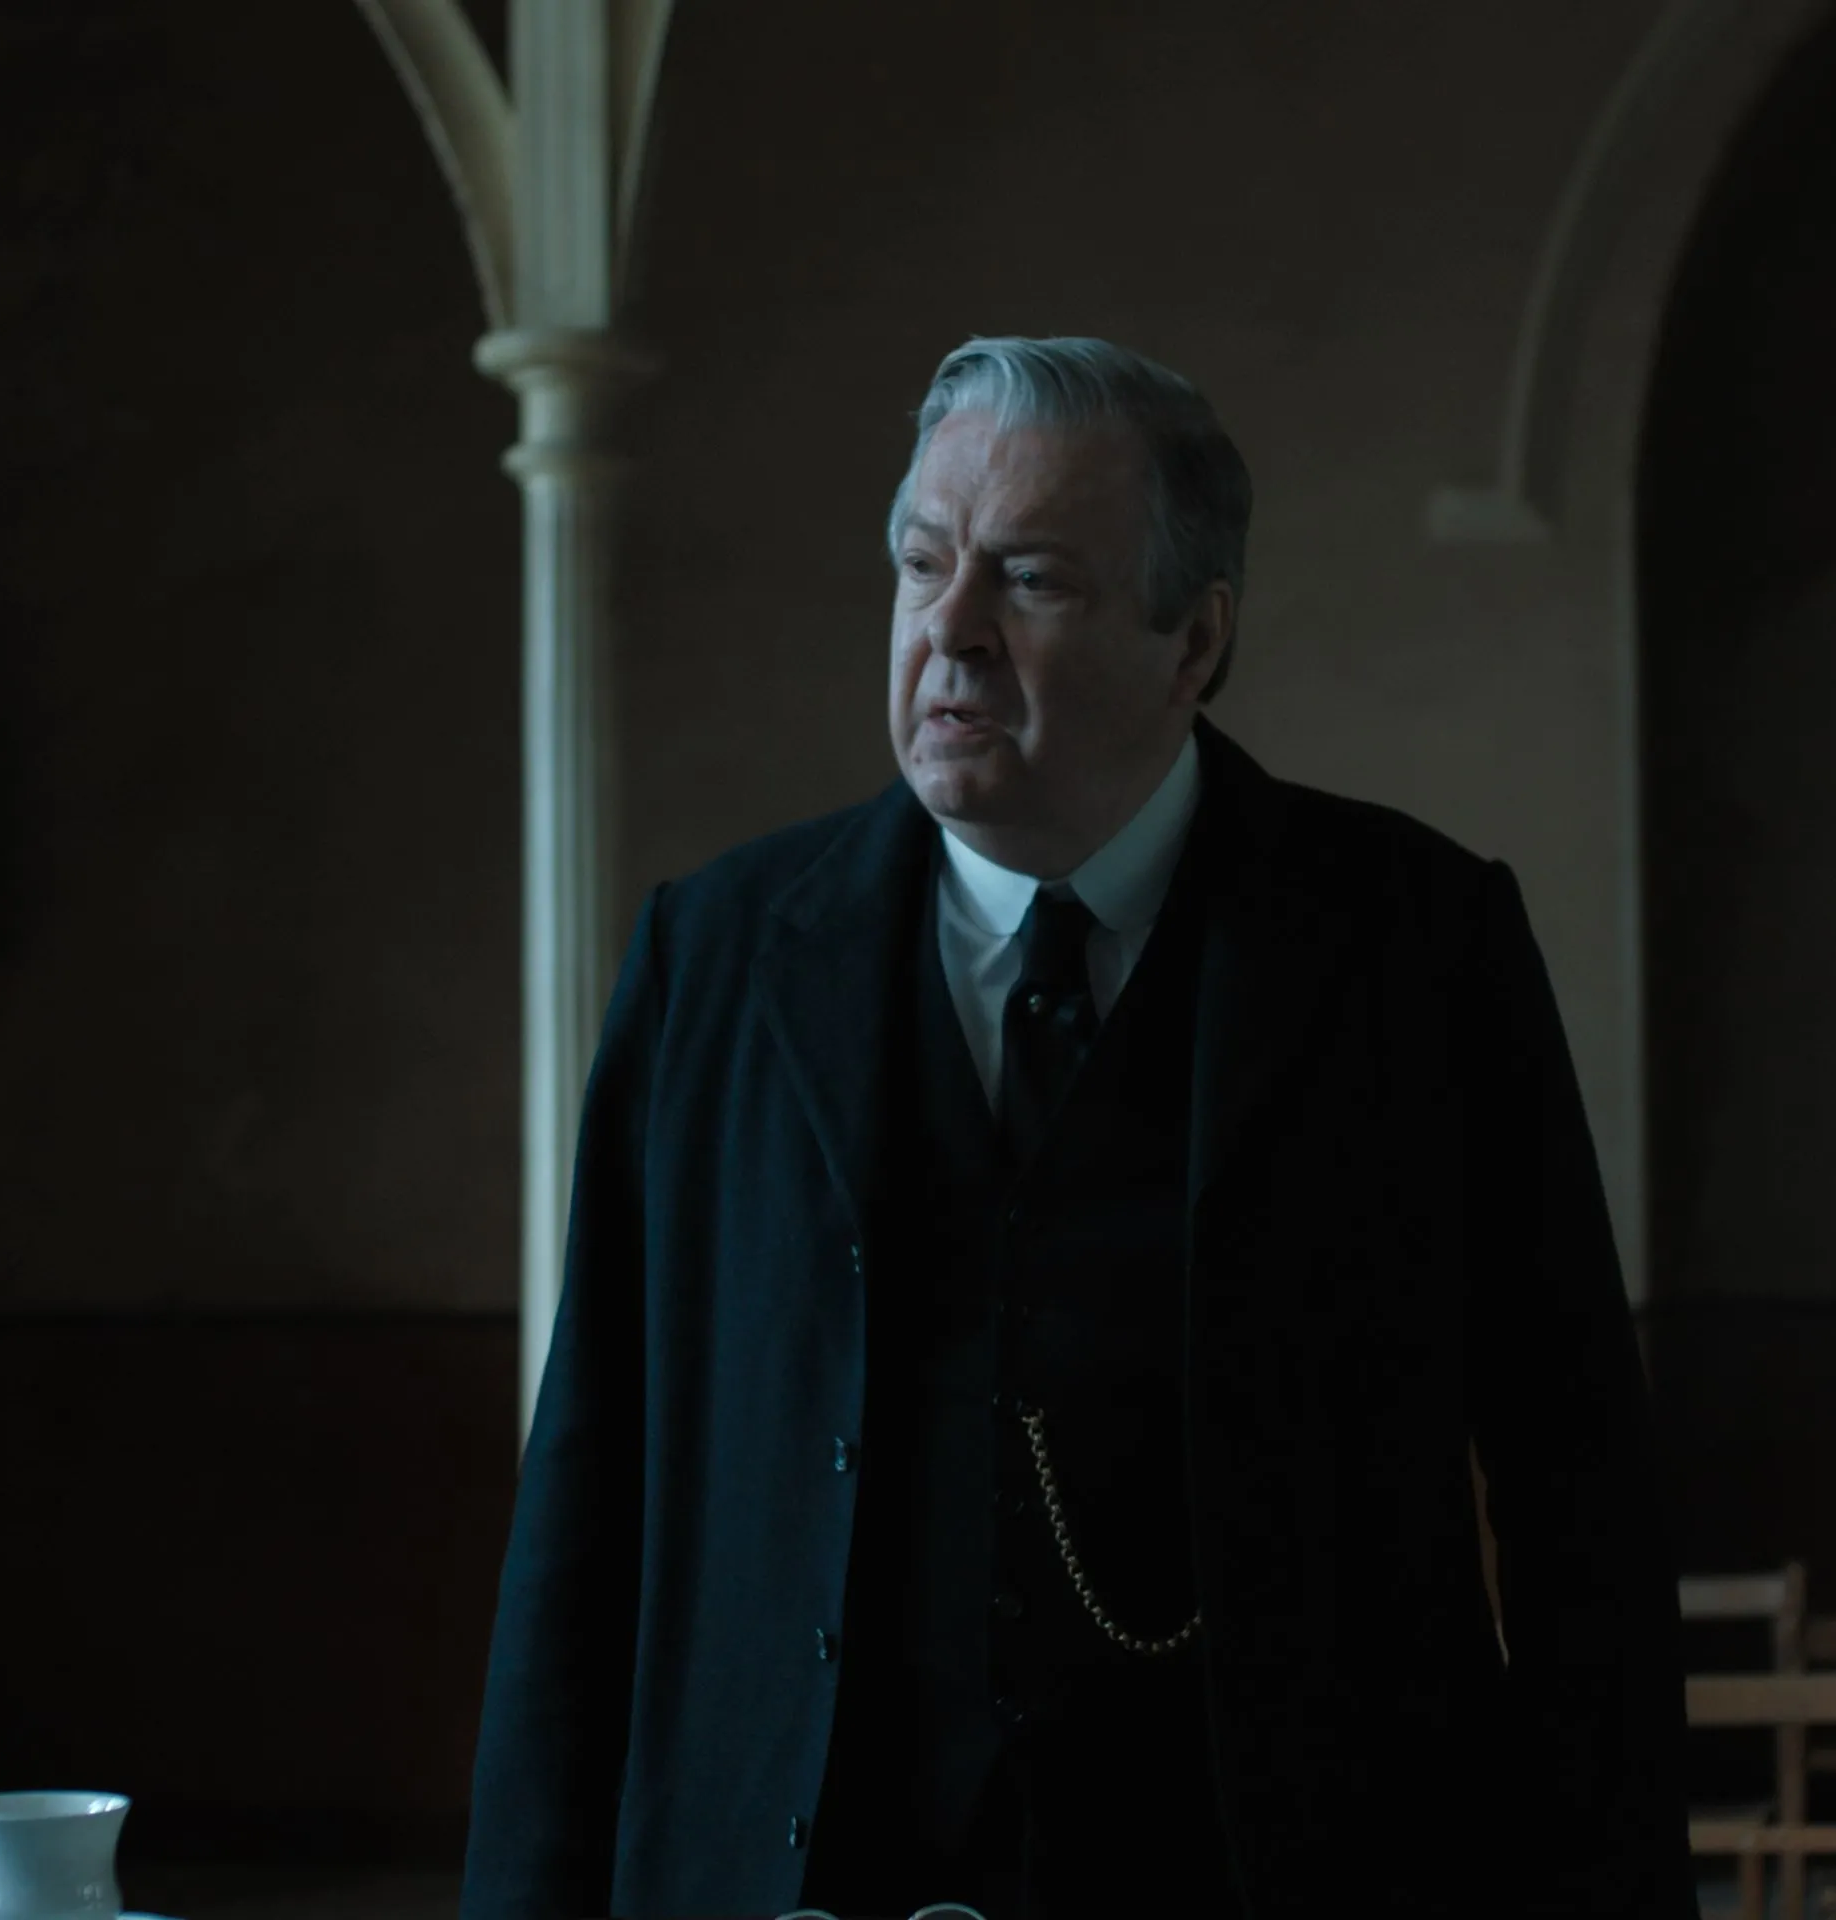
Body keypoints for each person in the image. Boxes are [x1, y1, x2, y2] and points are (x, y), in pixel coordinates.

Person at [462, 336, 1687, 1920]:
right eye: (923, 563)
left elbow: (1578, 1487)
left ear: (1196, 643)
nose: (949, 630)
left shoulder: (1417, 949)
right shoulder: (717, 958)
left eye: (1030, 580)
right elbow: (588, 1502)